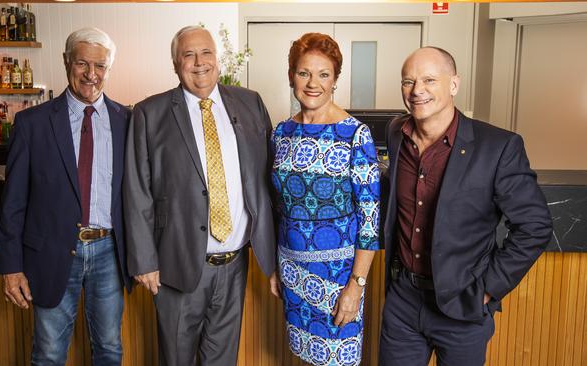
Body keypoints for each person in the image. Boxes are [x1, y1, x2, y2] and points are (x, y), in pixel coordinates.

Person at [379, 46, 553, 365]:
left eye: (430, 80)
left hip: (462, 305)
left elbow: (535, 225)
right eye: (408, 81)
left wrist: (486, 290)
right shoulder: (395, 133)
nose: (417, 90)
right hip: (402, 300)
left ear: (454, 85)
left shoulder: (498, 147)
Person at [123, 25, 276, 366]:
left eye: (205, 52)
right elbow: (137, 192)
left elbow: (266, 179)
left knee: (222, 359)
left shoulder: (250, 104)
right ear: (175, 64)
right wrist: (145, 260)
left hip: (235, 265)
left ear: (217, 60)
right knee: (176, 358)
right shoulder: (150, 114)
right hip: (176, 265)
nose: (199, 62)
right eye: (188, 55)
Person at [0, 27, 132, 365]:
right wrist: (10, 266)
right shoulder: (31, 124)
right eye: (82, 63)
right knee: (49, 353)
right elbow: (12, 203)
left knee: (110, 349)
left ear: (109, 68)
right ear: (66, 62)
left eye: (100, 66)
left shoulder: (127, 121)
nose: (91, 74)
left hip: (109, 253)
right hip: (53, 253)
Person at [268, 32, 380, 366]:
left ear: (335, 80)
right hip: (291, 267)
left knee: (337, 358)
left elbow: (370, 220)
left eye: (323, 74)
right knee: (305, 356)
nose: (313, 83)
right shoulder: (281, 132)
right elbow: (278, 206)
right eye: (304, 73)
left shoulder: (355, 135)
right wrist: (276, 266)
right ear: (292, 77)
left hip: (337, 275)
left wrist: (356, 286)